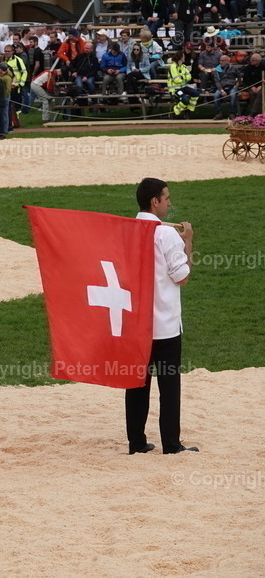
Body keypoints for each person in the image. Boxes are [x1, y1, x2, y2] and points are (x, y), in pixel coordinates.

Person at [127, 178, 197, 455]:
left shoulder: (129, 229)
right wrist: (187, 243)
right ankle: (171, 444)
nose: (169, 202)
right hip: (165, 325)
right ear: (154, 201)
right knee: (169, 387)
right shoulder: (166, 234)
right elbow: (183, 277)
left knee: (136, 385)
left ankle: (137, 443)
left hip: (136, 324)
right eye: (166, 197)